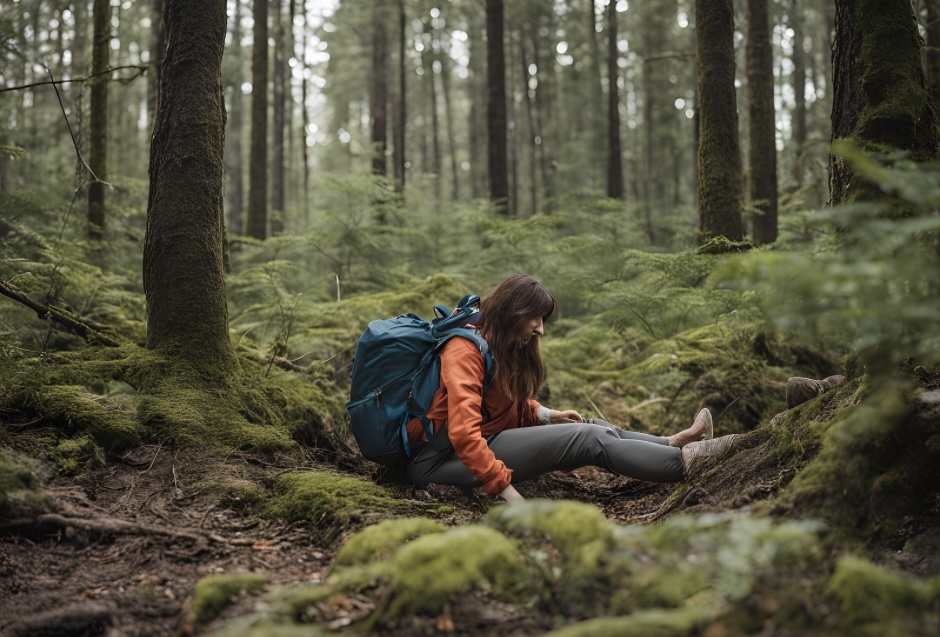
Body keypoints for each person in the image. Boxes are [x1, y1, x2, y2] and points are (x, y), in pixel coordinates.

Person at [404, 273, 739, 502]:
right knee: (588, 439)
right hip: (438, 462)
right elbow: (463, 432)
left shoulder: (493, 342)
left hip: (474, 445)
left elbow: (501, 405)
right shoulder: (464, 349)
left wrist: (546, 415)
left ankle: (669, 442)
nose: (540, 330)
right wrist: (507, 492)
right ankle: (687, 463)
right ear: (512, 312)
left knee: (585, 426)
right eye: (535, 319)